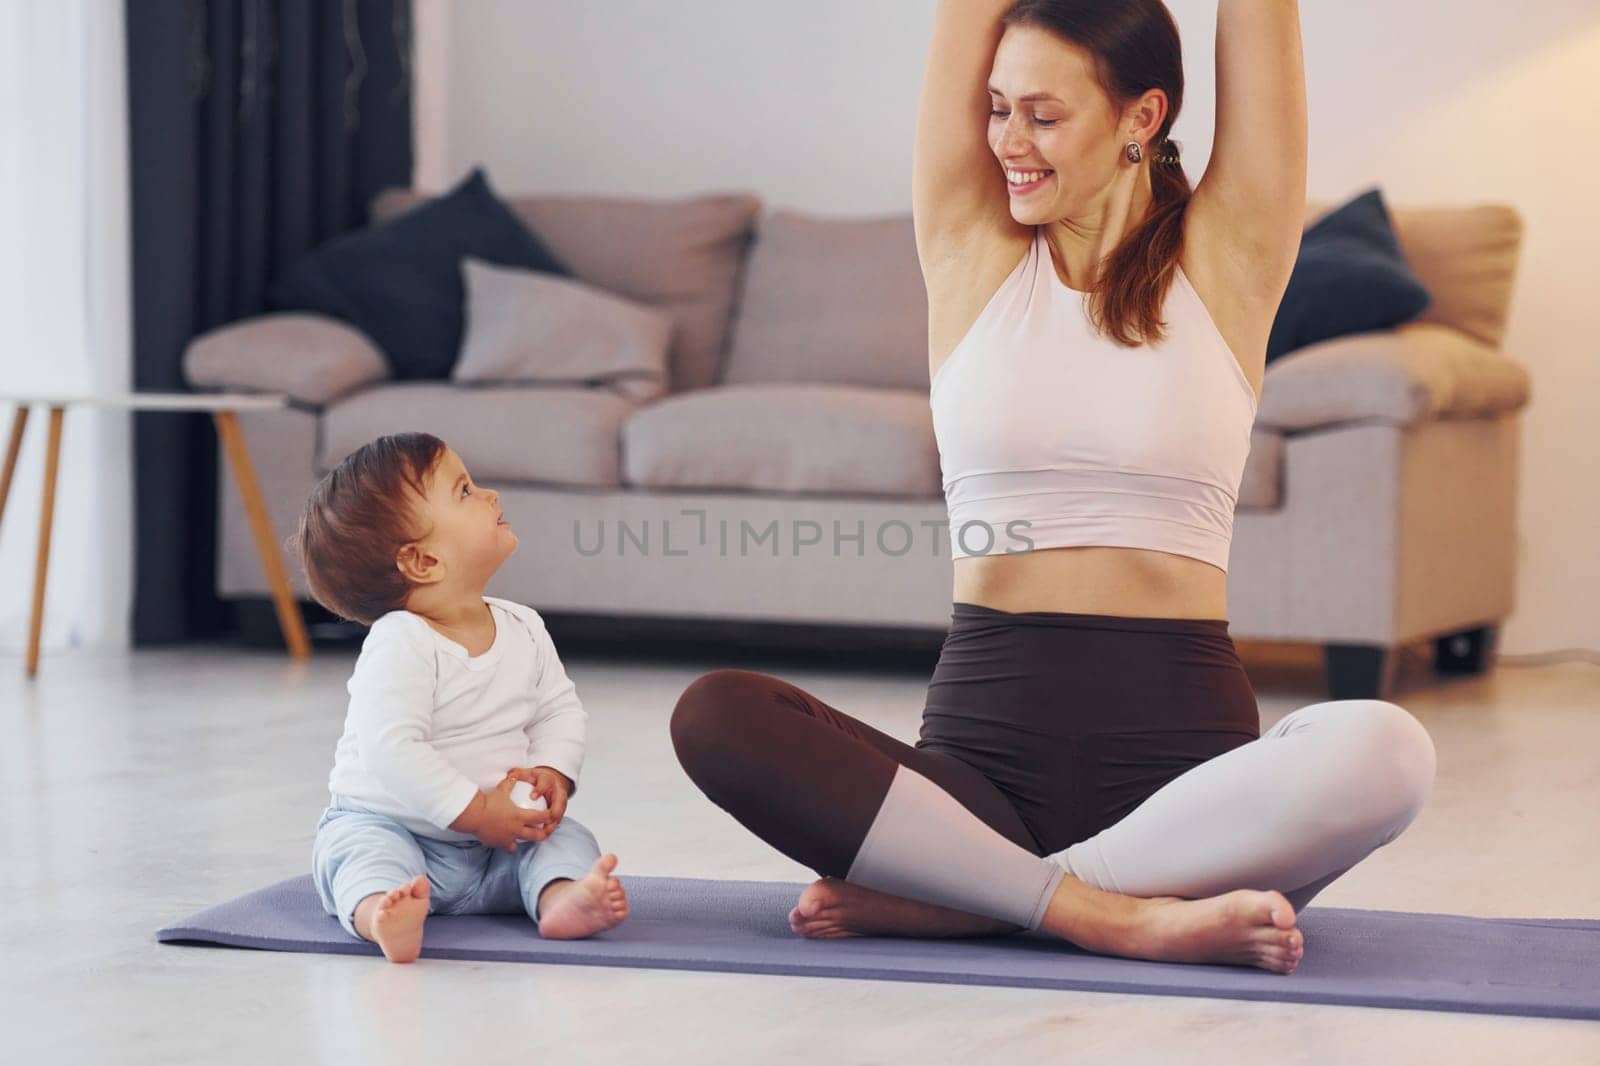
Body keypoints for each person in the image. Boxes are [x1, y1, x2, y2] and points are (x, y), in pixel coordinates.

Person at [671, 0, 1435, 975]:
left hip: (1185, 778)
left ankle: (983, 902)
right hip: (979, 774)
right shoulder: (969, 251)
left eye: (1042, 114)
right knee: (716, 715)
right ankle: (1113, 913)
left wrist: (965, 892)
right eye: (996, 108)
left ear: (1140, 117)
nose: (1006, 143)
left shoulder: (1226, 260)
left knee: (1390, 750)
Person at [295, 432, 629, 963]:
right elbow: (393, 750)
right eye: (466, 492)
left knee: (565, 840)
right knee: (357, 854)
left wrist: (552, 769)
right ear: (422, 562)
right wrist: (475, 811)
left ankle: (561, 898)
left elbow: (558, 710)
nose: (491, 495)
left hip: (493, 847)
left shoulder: (524, 625)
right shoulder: (402, 641)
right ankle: (382, 913)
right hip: (397, 828)